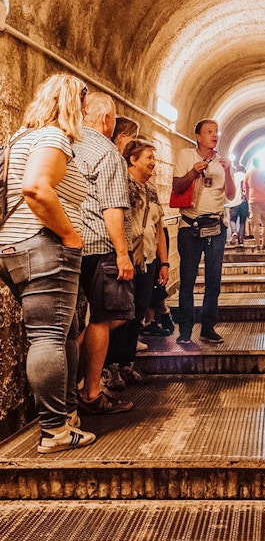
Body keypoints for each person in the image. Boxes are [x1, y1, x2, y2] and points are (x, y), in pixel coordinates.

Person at [0, 73, 96, 453]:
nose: (85, 116)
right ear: (73, 103)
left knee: (67, 328)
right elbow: (36, 188)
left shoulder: (16, 141)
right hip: (42, 246)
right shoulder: (53, 137)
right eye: (84, 107)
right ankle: (55, 430)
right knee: (49, 335)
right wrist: (70, 236)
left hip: (12, 248)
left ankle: (68, 415)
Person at [73, 92, 135, 414]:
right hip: (99, 245)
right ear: (107, 120)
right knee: (106, 317)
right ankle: (90, 394)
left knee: (75, 322)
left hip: (70, 244)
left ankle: (71, 387)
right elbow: (112, 208)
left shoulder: (67, 143)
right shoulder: (107, 152)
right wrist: (123, 255)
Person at [103, 138, 170, 390]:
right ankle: (111, 366)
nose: (154, 163)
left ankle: (127, 363)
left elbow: (159, 227)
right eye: (149, 158)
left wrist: (164, 263)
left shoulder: (150, 190)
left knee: (138, 310)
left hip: (148, 259)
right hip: (127, 257)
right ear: (132, 159)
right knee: (121, 312)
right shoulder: (122, 186)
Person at [172, 118, 235, 344]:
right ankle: (185, 330)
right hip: (190, 226)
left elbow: (230, 195)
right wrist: (192, 173)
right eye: (208, 131)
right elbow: (176, 187)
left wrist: (229, 173)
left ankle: (208, 326)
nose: (214, 135)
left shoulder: (223, 162)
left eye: (216, 131)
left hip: (216, 228)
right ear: (198, 136)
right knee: (187, 279)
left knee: (213, 280)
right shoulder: (186, 156)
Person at [244, 158, 265, 251]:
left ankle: (257, 245)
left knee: (255, 223)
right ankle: (264, 243)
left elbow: (246, 189)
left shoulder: (248, 174)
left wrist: (249, 199)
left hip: (253, 200)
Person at [228, 163, 248, 247]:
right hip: (243, 202)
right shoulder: (245, 176)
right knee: (242, 222)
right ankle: (241, 241)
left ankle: (234, 232)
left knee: (232, 219)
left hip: (233, 201)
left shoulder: (232, 176)